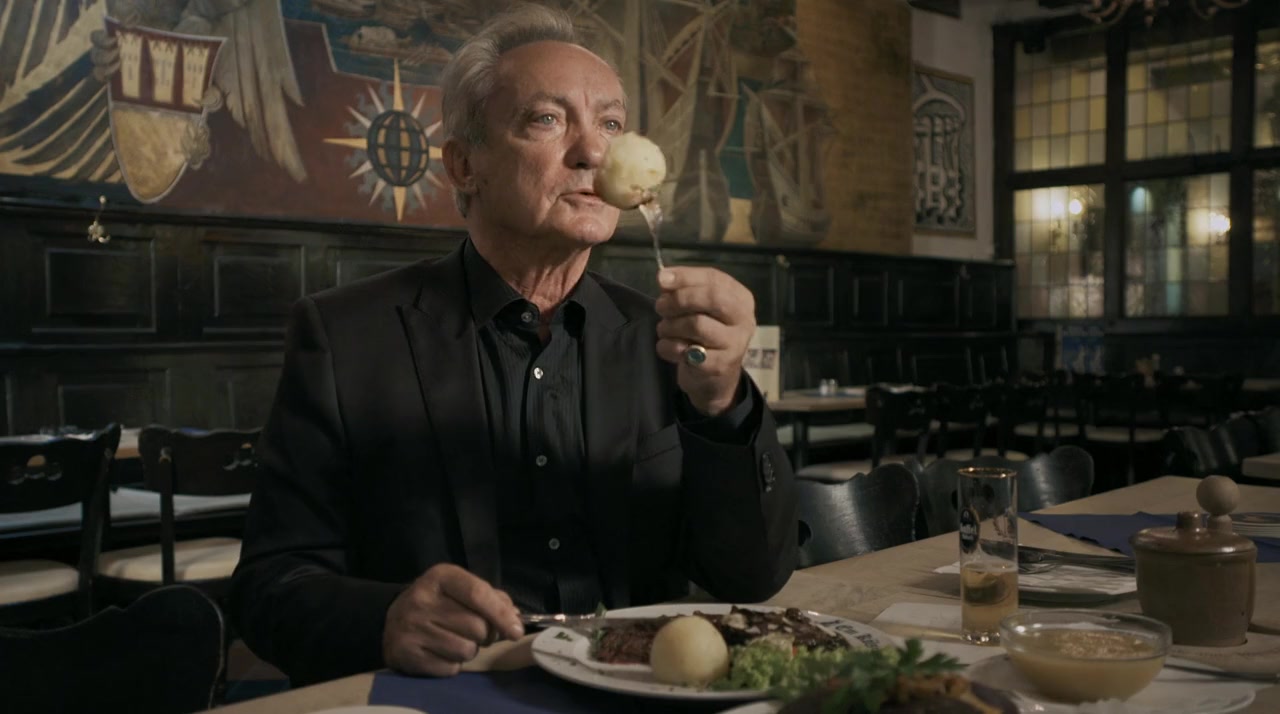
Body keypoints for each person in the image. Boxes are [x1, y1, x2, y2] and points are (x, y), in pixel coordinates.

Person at [228, 3, 796, 687]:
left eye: (611, 124)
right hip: (452, 692)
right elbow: (269, 587)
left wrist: (723, 406)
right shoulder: (345, 336)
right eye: (547, 119)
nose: (594, 153)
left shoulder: (666, 340)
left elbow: (752, 576)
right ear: (465, 165)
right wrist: (384, 618)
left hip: (638, 690)